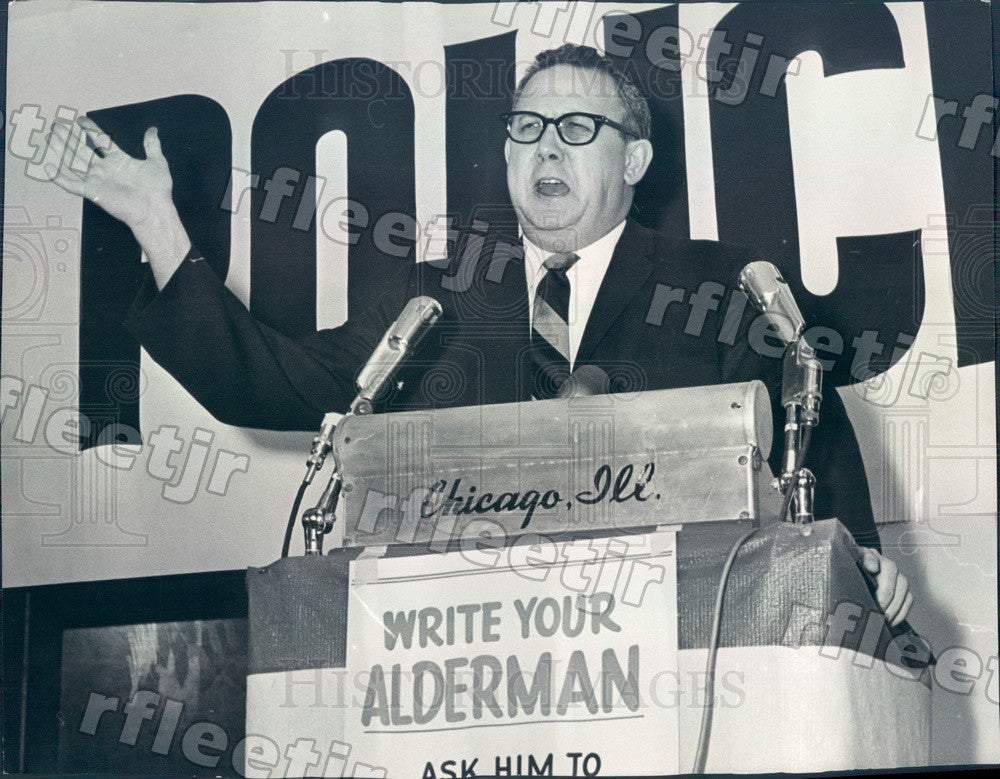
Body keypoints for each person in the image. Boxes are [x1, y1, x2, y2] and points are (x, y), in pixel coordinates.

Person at [45, 44, 912, 626]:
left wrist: (854, 561)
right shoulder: (435, 300)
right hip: (479, 651)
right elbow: (264, 384)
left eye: (578, 130)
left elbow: (811, 435)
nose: (547, 150)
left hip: (685, 638)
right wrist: (160, 229)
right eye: (526, 129)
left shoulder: (722, 284)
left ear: (635, 161)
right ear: (505, 157)